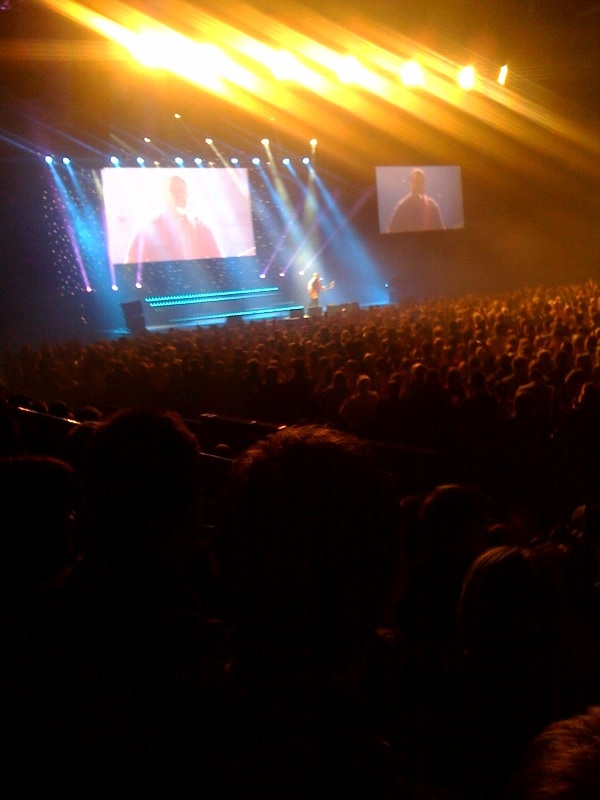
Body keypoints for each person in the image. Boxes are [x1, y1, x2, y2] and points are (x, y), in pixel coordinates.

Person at [126, 174, 222, 264]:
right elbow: (130, 266)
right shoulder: (148, 230)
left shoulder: (200, 227)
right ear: (165, 195)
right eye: (174, 191)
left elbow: (219, 261)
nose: (180, 195)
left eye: (183, 191)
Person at [387, 168, 444, 233]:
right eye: (415, 182)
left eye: (421, 182)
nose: (418, 185)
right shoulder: (402, 208)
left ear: (424, 184)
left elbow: (441, 233)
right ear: (410, 184)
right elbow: (391, 233)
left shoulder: (432, 207)